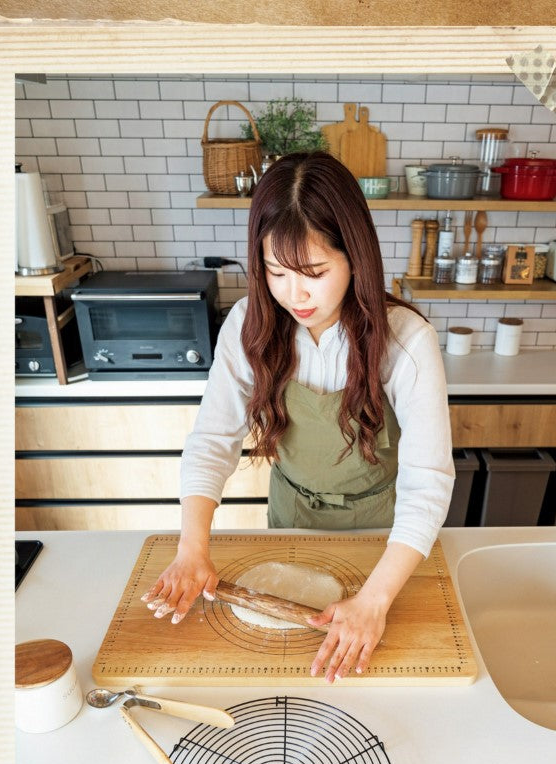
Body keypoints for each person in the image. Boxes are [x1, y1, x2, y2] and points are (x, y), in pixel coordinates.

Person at [142, 151, 454, 682]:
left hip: (383, 536)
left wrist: (374, 601)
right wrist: (193, 550)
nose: (295, 295)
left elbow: (427, 484)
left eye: (314, 272)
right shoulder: (250, 323)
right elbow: (213, 440)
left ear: (355, 256)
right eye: (276, 272)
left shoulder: (405, 340)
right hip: (291, 517)